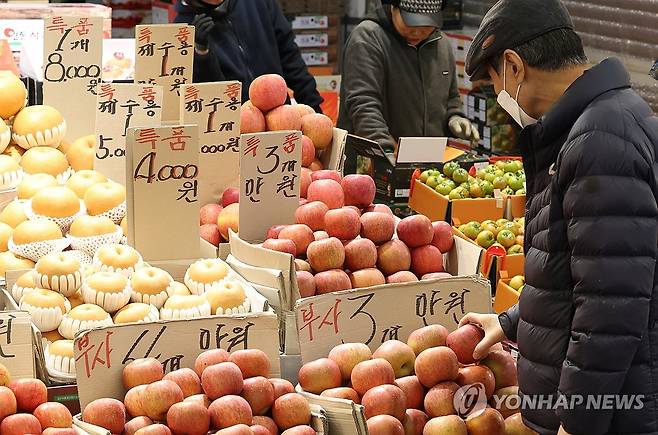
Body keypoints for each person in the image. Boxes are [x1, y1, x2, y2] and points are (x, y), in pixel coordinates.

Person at [460, 1, 658, 434]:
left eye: (494, 81)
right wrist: (512, 321)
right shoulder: (590, 126)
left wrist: (577, 422)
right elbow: (578, 267)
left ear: (513, 66)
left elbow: (611, 306)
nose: (498, 97)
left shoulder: (601, 138)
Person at [337, 0, 479, 154]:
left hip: (427, 164)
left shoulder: (441, 44)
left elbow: (450, 97)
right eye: (411, 23)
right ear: (393, 7)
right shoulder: (368, 38)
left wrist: (455, 117)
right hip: (374, 163)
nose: (418, 32)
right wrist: (386, 152)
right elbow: (364, 104)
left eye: (426, 25)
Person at [174, 0, 323, 111]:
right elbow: (204, 99)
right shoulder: (182, 30)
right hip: (232, 133)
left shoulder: (258, 3)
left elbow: (290, 56)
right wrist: (201, 53)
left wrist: (314, 107)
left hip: (281, 122)